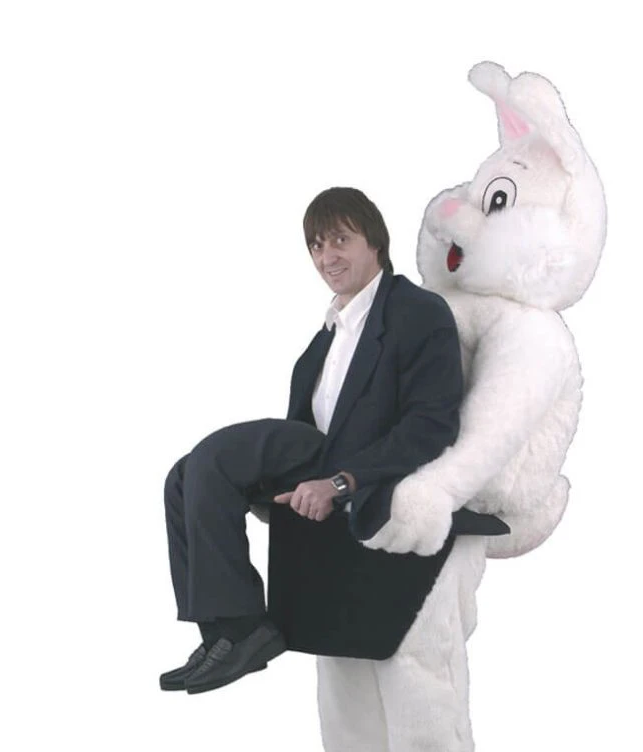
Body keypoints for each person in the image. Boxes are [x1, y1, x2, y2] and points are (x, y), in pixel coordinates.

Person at [161, 187, 464, 694]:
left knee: (215, 456)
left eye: (340, 240)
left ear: (375, 242)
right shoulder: (326, 336)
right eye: (317, 246)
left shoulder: (417, 312)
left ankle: (245, 629)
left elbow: (432, 425)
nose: (327, 257)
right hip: (313, 453)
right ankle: (220, 634)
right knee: (185, 475)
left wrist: (342, 482)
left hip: (354, 461)